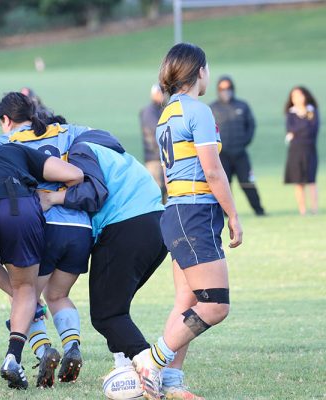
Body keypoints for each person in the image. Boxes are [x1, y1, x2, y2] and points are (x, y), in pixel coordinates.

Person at [0, 92, 92, 388]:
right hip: (60, 222)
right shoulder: (55, 136)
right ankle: (43, 351)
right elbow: (77, 173)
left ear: (6, 120)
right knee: (41, 291)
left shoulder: (3, 143)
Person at [129, 43, 243, 400]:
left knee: (186, 300)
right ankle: (153, 360)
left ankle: (171, 383)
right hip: (194, 213)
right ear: (199, 72)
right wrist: (233, 214)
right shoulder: (198, 110)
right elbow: (212, 169)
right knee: (215, 304)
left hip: (177, 211)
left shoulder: (166, 113)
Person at [38, 129, 167, 392]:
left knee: (107, 314)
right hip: (155, 225)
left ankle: (148, 369)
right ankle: (123, 367)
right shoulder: (112, 152)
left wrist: (53, 197)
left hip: (124, 226)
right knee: (115, 307)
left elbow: (95, 193)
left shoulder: (79, 149)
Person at [210, 76, 265, 216]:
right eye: (222, 89)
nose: (225, 91)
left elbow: (251, 126)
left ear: (233, 89)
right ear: (218, 90)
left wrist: (244, 142)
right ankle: (225, 213)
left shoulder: (242, 106)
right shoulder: (213, 108)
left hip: (240, 154)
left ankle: (259, 210)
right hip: (222, 155)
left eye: (228, 88)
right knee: (223, 185)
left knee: (248, 183)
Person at [284, 86, 320, 215]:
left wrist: (296, 132)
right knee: (298, 182)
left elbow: (313, 130)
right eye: (294, 96)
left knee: (311, 180)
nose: (297, 99)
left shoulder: (312, 111)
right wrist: (303, 126)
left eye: (299, 95)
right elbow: (290, 129)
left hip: (310, 149)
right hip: (295, 151)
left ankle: (315, 209)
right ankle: (302, 210)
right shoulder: (291, 113)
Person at [140, 83, 167, 203]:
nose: (163, 96)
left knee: (166, 190)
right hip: (155, 158)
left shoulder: (162, 109)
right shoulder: (149, 111)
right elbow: (157, 132)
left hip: (163, 157)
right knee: (156, 190)